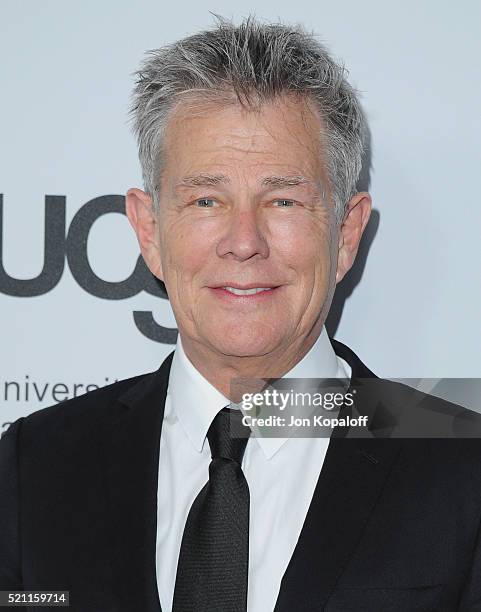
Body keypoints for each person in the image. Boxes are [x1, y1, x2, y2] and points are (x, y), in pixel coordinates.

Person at [1, 15, 481, 612]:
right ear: (149, 230)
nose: (244, 240)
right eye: (206, 199)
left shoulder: (465, 468)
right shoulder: (33, 465)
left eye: (283, 199)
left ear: (348, 232)